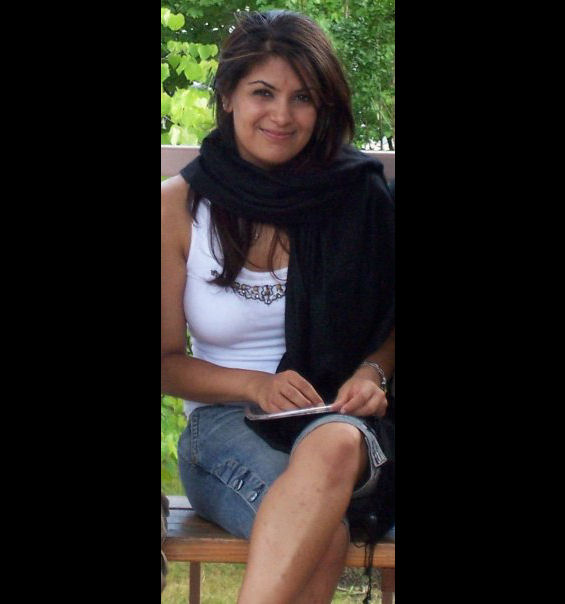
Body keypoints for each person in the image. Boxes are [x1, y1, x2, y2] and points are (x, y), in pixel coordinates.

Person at [161, 10, 395, 603]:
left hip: (339, 419)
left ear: (324, 108)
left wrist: (372, 371)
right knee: (320, 532)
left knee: (334, 443)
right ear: (228, 96)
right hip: (224, 424)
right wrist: (256, 386)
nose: (282, 116)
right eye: (263, 92)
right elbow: (164, 363)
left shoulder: (360, 196)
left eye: (303, 98)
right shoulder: (177, 208)